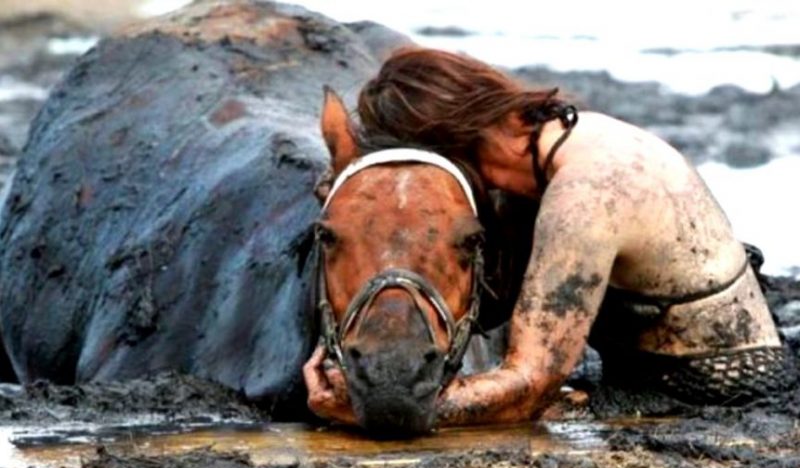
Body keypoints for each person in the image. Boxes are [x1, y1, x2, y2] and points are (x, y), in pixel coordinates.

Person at [304, 47, 792, 426]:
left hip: (706, 392)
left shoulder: (585, 195)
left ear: (449, 139)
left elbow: (530, 385)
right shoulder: (558, 149)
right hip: (655, 373)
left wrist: (378, 406)